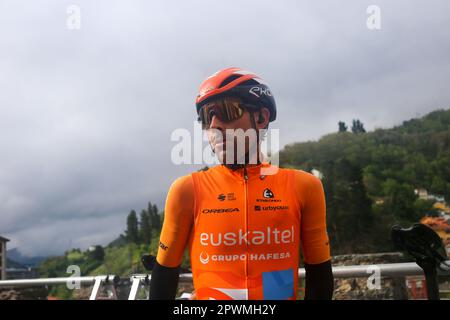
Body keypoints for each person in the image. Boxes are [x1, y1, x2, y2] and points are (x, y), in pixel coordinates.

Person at [149, 67, 333, 300]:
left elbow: (320, 277)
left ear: (262, 117)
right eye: (207, 117)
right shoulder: (187, 191)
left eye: (227, 110)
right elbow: (164, 276)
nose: (215, 125)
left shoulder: (305, 187)